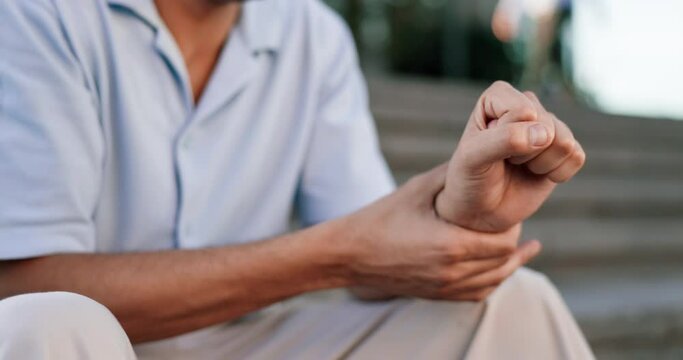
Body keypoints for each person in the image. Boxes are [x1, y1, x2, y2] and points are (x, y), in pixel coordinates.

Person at [0, 0, 592, 359]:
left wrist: (461, 216)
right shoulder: (40, 13)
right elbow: (23, 285)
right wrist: (338, 255)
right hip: (88, 348)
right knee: (50, 324)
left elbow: (379, 259)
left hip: (250, 344)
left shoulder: (314, 34)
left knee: (516, 302)